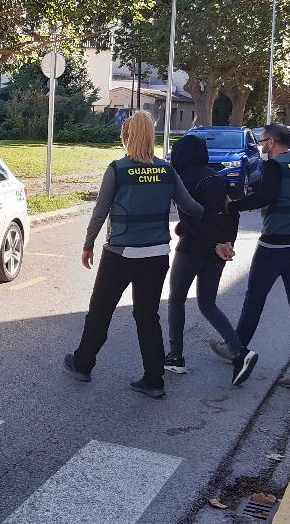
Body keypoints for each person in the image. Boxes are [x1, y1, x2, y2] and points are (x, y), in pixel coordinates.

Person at [65, 111, 204, 399]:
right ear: (151, 138)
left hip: (121, 254)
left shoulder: (118, 169)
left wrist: (88, 244)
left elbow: (100, 212)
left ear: (126, 138)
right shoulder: (167, 171)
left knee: (101, 311)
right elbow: (192, 207)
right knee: (147, 316)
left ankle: (83, 363)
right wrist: (217, 203)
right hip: (157, 255)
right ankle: (154, 379)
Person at [164, 133, 259, 386]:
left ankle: (175, 357)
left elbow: (190, 219)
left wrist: (212, 243)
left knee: (176, 301)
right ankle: (240, 352)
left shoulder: (184, 179)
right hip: (216, 253)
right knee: (208, 304)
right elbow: (231, 212)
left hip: (192, 250)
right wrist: (227, 243)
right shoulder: (218, 177)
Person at [229, 123, 290, 389]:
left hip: (274, 245)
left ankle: (237, 349)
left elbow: (264, 196)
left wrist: (232, 206)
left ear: (273, 142)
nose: (261, 144)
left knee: (254, 299)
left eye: (263, 140)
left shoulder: (273, 165)